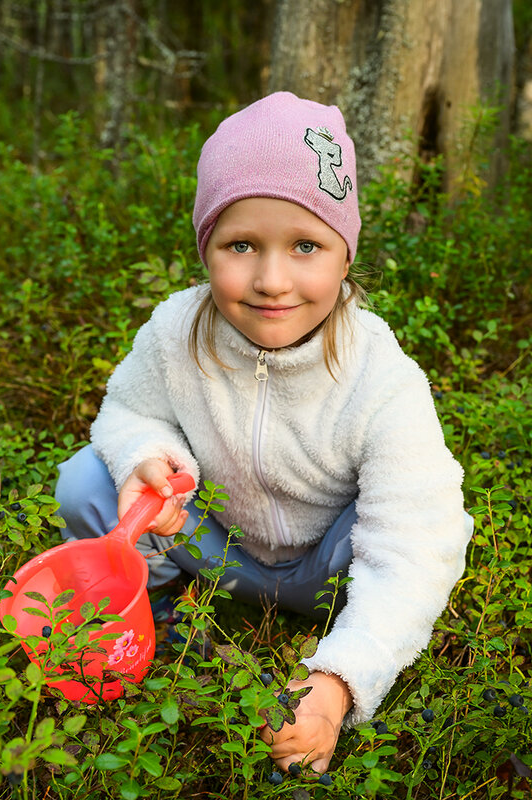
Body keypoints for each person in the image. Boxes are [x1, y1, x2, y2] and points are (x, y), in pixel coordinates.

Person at [54, 92, 473, 773]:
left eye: (305, 245)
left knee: (425, 529)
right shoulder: (174, 331)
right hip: (216, 552)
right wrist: (149, 460)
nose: (272, 280)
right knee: (85, 480)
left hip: (328, 573)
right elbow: (129, 411)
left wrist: (340, 681)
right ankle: (153, 605)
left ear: (345, 255)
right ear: (205, 248)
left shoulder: (382, 376)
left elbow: (413, 542)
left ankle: (334, 654)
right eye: (241, 244)